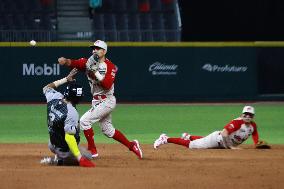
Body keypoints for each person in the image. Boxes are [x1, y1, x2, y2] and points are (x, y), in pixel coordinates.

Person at [57, 40, 143, 159]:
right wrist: (65, 61)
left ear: (104, 51)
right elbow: (74, 63)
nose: (94, 50)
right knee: (108, 131)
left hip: (107, 100)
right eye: (93, 48)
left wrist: (95, 72)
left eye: (97, 48)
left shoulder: (110, 66)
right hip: (97, 101)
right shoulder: (88, 62)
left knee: (84, 121)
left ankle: (93, 150)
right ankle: (132, 145)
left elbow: (107, 85)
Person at [40, 68, 95, 167]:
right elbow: (69, 137)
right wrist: (80, 158)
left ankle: (60, 156)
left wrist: (66, 79)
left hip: (52, 143)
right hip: (64, 149)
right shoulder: (71, 112)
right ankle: (59, 160)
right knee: (88, 156)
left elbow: (46, 88)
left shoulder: (55, 97)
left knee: (64, 130)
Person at [154, 106, 260, 150]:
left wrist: (257, 143)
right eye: (245, 114)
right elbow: (224, 133)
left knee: (202, 139)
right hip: (217, 140)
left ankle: (188, 136)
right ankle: (166, 139)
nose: (247, 116)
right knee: (192, 145)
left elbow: (254, 134)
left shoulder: (253, 125)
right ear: (242, 115)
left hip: (221, 143)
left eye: (250, 115)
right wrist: (230, 147)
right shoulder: (238, 122)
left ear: (253, 116)